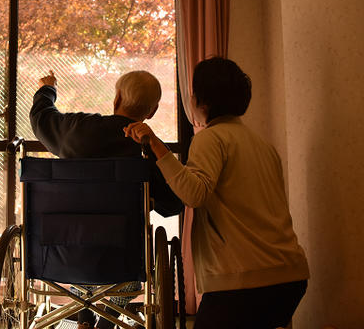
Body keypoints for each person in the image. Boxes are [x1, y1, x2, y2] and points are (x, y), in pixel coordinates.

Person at [124, 57, 309, 329]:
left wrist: (155, 145)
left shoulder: (211, 138)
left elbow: (194, 193)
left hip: (244, 280)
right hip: (289, 276)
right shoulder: (262, 145)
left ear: (202, 101)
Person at [30, 69, 184, 329]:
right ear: (153, 111)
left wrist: (48, 88)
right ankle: (108, 320)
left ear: (117, 99)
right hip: (124, 260)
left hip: (66, 252)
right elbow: (174, 205)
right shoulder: (146, 148)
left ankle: (84, 317)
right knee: (129, 248)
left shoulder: (75, 130)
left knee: (84, 235)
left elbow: (41, 119)